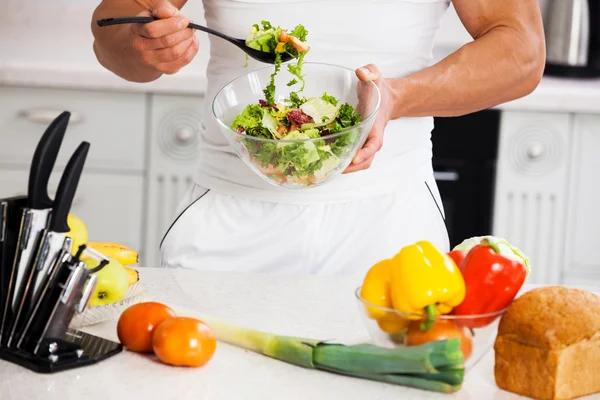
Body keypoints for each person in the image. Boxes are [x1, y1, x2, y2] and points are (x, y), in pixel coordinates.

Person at [91, 0, 545, 278]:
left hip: (390, 225)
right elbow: (111, 31)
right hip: (230, 217)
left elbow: (522, 52)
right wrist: (145, 43)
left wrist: (398, 97)